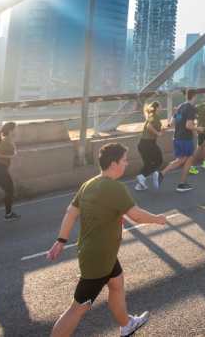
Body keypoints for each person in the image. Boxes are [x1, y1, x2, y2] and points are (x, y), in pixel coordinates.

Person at [47, 142, 168, 337]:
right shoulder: (115, 187)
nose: (126, 164)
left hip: (99, 253)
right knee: (78, 308)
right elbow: (136, 215)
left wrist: (61, 241)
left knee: (117, 284)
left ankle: (126, 324)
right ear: (113, 164)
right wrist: (158, 219)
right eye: (124, 160)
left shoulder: (89, 184)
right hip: (99, 259)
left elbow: (70, 213)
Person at [160, 90, 199, 192]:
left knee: (181, 159)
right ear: (194, 96)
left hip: (177, 138)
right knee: (189, 159)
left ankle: (162, 174)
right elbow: (189, 125)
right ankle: (181, 184)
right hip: (185, 139)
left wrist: (166, 127)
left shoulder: (180, 106)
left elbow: (172, 122)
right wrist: (198, 129)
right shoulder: (190, 108)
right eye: (196, 97)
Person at [135, 102, 164, 191]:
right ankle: (146, 176)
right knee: (159, 160)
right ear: (157, 108)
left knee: (148, 164)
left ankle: (139, 185)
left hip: (142, 144)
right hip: (149, 144)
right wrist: (158, 133)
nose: (162, 108)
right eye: (161, 107)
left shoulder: (151, 116)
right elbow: (149, 126)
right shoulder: (155, 117)